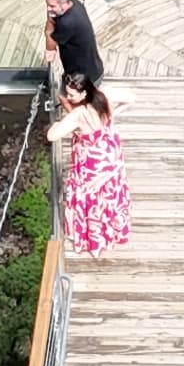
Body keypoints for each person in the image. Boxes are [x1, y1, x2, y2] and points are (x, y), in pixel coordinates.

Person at [48, 72, 132, 260]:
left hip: (92, 163)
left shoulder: (79, 114)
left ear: (83, 94)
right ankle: (114, 232)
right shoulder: (104, 97)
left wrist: (57, 122)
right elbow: (131, 98)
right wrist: (114, 113)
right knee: (109, 195)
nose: (68, 97)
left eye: (71, 94)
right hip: (111, 155)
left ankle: (93, 239)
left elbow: (52, 136)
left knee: (90, 199)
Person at [42, 0, 103, 90]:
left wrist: (48, 31)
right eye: (48, 4)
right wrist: (52, 20)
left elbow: (51, 42)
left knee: (67, 100)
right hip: (89, 69)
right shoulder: (74, 2)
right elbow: (53, 21)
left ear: (64, 4)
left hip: (84, 78)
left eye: (52, 6)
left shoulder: (68, 23)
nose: (48, 9)